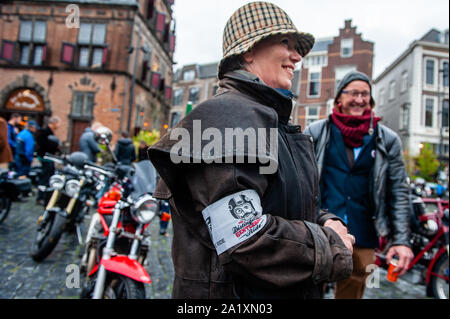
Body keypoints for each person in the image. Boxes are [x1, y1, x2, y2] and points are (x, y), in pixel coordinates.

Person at [148, 1, 354, 299]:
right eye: (286, 42)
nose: (297, 56)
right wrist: (329, 245)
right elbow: (245, 237)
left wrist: (325, 220)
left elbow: (280, 203)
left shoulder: (266, 119)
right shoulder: (228, 119)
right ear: (248, 51)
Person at [304, 70, 414, 299]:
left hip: (364, 232)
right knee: (310, 286)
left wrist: (402, 240)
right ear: (339, 98)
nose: (360, 99)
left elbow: (399, 192)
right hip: (320, 227)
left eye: (365, 94)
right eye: (353, 92)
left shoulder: (388, 139)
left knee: (354, 290)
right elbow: (300, 181)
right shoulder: (316, 132)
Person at [36, 116, 62, 204]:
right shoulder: (45, 132)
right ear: (54, 123)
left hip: (48, 157)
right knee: (45, 177)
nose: (59, 125)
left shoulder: (48, 132)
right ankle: (41, 197)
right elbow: (43, 145)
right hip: (46, 158)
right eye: (58, 123)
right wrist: (55, 146)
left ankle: (44, 196)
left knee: (47, 177)